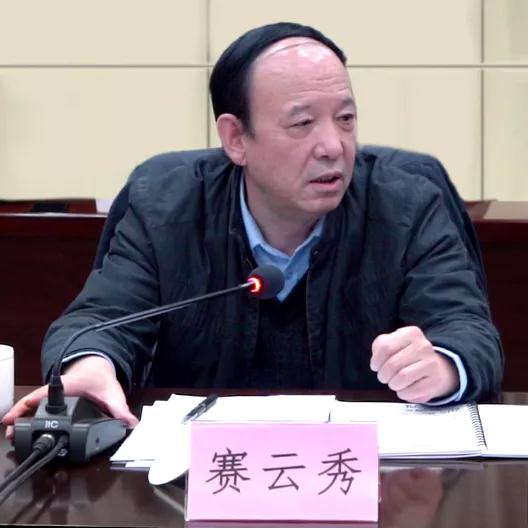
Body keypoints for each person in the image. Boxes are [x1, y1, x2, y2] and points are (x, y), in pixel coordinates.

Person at [3, 22, 503, 436]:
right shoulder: (164, 204)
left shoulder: (408, 201)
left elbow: (469, 331)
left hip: (370, 484)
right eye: (302, 124)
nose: (333, 146)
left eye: (346, 119)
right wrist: (91, 368)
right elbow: (101, 319)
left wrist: (442, 365)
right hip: (193, 486)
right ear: (236, 138)